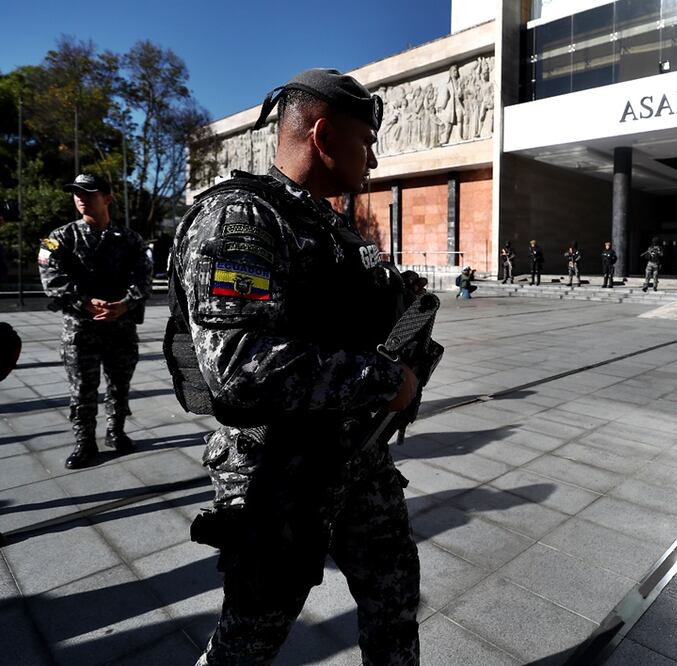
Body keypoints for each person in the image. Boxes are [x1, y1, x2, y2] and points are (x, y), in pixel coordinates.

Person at [167, 69, 422, 665]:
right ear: (325, 136)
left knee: (394, 603)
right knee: (251, 637)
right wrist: (385, 379)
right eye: (366, 141)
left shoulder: (326, 225)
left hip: (358, 454)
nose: (375, 159)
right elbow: (237, 362)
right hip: (277, 470)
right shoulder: (242, 219)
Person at [38, 173, 152, 469]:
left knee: (119, 387)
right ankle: (84, 442)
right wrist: (84, 302)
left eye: (89, 193)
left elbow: (144, 279)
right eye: (76, 193)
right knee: (82, 390)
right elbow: (51, 279)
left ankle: (116, 433)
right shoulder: (57, 238)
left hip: (120, 327)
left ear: (108, 198)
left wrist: (125, 305)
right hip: (80, 329)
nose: (81, 198)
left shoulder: (130, 239)